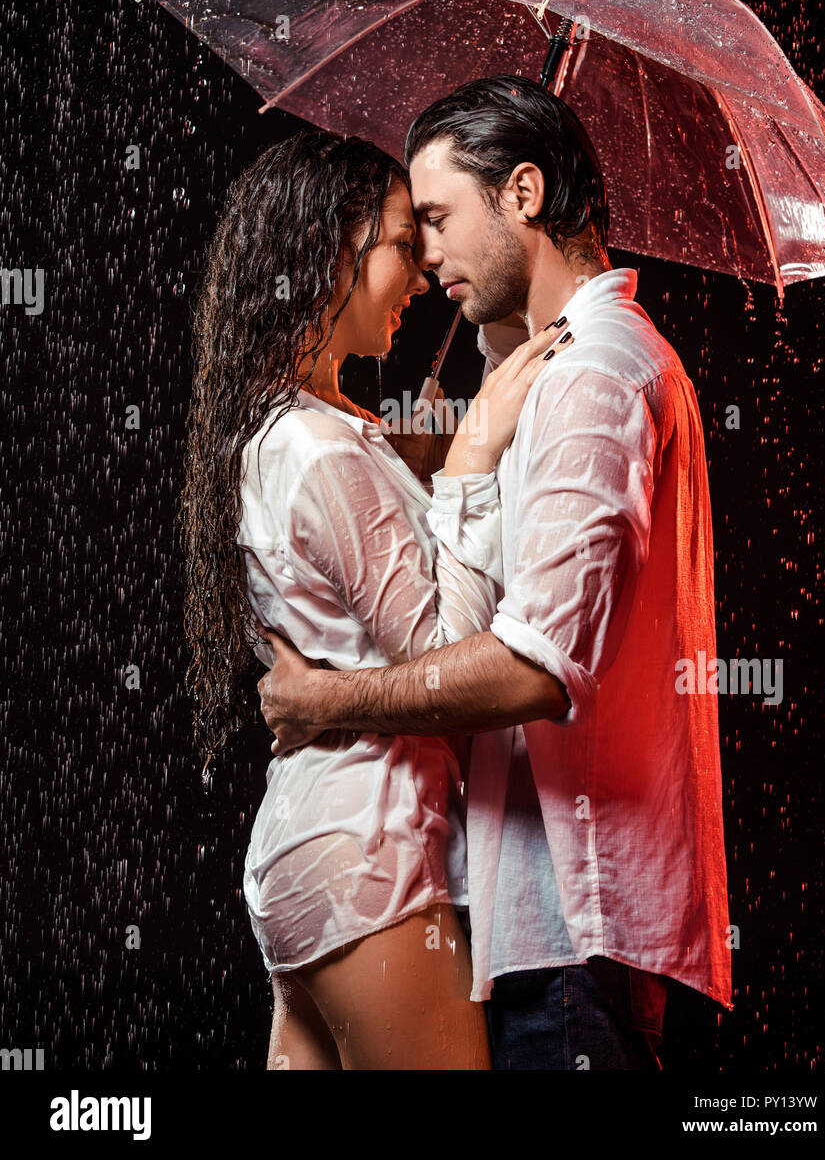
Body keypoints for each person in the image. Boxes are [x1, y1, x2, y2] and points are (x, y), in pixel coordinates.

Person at [256, 75, 734, 1071]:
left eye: (436, 219)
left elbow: (534, 672)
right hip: (543, 928)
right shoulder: (551, 371)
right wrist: (456, 456)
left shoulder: (592, 379)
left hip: (574, 928)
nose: (424, 258)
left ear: (522, 193)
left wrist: (329, 700)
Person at [180, 128, 571, 1070]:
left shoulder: (297, 425)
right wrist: (472, 459)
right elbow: (438, 654)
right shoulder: (316, 448)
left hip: (313, 849)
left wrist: (425, 472)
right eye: (403, 241)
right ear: (331, 248)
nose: (425, 270)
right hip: (370, 857)